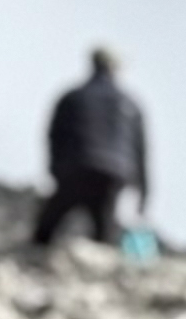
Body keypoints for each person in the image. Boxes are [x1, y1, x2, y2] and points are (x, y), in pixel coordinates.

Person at [36, 47, 147, 247]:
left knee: (46, 226)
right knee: (104, 229)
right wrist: (144, 192)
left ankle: (35, 256)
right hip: (113, 175)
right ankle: (101, 267)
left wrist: (55, 170)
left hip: (75, 168)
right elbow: (141, 151)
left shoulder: (72, 96)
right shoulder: (130, 104)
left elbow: (54, 135)